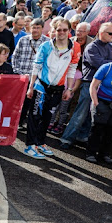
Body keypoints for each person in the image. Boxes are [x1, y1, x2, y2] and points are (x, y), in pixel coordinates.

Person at [25, 17, 80, 159]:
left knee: (47, 117)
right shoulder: (46, 46)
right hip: (41, 86)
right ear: (53, 31)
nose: (61, 32)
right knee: (35, 116)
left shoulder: (75, 47)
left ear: (69, 31)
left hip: (58, 89)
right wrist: (31, 87)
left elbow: (72, 69)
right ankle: (30, 145)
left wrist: (68, 89)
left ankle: (40, 142)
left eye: (64, 30)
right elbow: (36, 67)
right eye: (58, 30)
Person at [60, 22, 112, 149]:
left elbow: (110, 64)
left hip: (103, 85)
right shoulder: (92, 47)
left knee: (92, 114)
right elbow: (101, 65)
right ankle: (66, 139)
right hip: (89, 83)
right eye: (111, 33)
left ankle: (82, 136)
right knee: (81, 113)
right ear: (102, 33)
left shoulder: (111, 46)